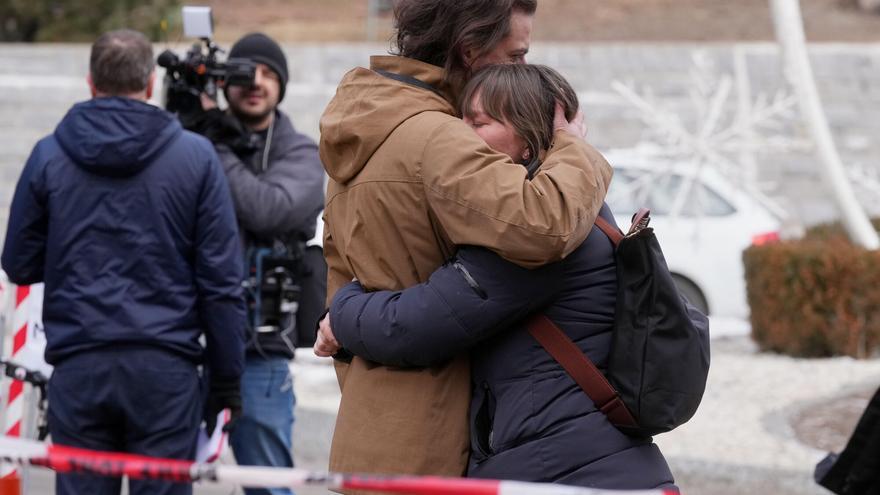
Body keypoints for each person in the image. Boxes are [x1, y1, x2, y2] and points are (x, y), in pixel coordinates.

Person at [319, 64, 676, 491]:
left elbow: (419, 324)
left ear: (528, 139)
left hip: (573, 470)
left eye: (478, 122)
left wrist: (343, 310)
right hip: (579, 464)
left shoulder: (538, 239)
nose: (459, 134)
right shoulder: (566, 216)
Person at [0, 29, 246, 495]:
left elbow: (20, 263)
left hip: (80, 367)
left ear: (91, 82)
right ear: (151, 83)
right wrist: (227, 381)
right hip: (165, 371)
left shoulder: (50, 155)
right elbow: (221, 284)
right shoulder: (196, 158)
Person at [193, 32, 325, 495]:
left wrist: (213, 146)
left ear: (282, 86)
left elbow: (268, 210)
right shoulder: (192, 139)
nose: (257, 83)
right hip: (187, 343)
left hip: (259, 348)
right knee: (165, 480)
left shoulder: (302, 152)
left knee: (268, 485)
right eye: (247, 72)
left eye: (270, 74)